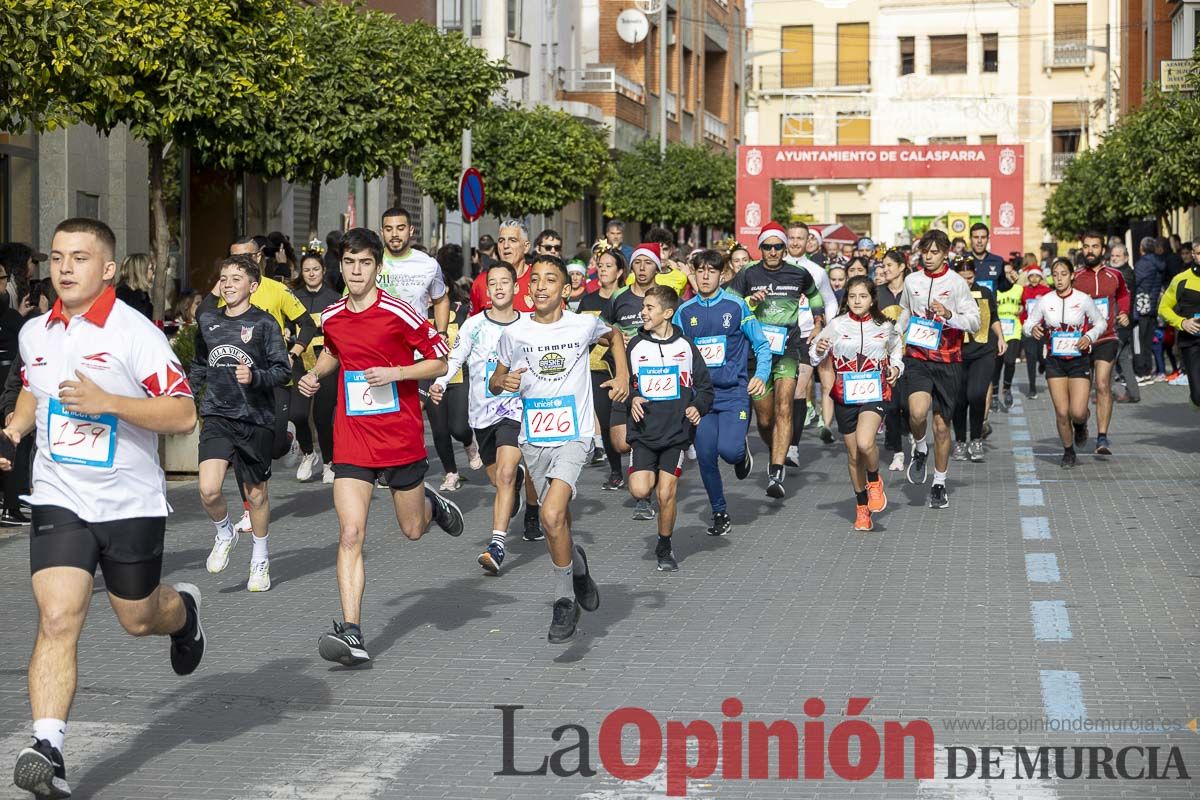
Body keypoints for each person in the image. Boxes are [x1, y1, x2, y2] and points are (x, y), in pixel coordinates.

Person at [3, 218, 202, 799]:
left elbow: (184, 413)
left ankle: (183, 613)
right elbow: (32, 387)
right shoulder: (35, 333)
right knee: (59, 617)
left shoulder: (135, 334)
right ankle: (49, 747)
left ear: (108, 268)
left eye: (80, 258)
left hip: (128, 501)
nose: (65, 269)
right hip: (59, 495)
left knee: (137, 617)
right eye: (58, 257)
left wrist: (108, 403)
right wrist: (15, 430)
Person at [298, 228, 463, 667]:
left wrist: (397, 374)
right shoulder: (331, 315)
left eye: (365, 263)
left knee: (412, 530)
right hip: (351, 438)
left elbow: (440, 360)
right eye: (349, 262)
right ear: (340, 265)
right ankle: (351, 630)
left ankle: (430, 505)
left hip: (399, 435)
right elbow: (335, 351)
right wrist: (317, 374)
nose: (356, 270)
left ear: (377, 267)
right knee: (350, 533)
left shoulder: (400, 313)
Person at [489, 254, 630, 643]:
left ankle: (563, 600)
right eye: (535, 280)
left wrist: (623, 376)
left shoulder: (583, 324)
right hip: (534, 436)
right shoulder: (515, 334)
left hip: (574, 434)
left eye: (551, 280)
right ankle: (578, 564)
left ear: (565, 290)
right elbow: (494, 379)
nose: (541, 286)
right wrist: (504, 382)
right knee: (560, 522)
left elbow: (615, 335)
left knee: (550, 515)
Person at [192, 255, 291, 591]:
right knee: (208, 488)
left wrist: (256, 375)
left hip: (256, 418)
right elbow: (198, 366)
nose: (228, 283)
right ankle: (224, 533)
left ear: (253, 285)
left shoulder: (264, 324)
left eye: (236, 278)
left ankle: (260, 558)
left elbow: (283, 370)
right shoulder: (207, 320)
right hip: (217, 414)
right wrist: (183, 398)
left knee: (256, 495)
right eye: (224, 278)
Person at [431, 262, 530, 574]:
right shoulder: (473, 325)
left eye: (505, 282)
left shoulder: (529, 325)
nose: (499, 287)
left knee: (504, 476)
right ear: (487, 292)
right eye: (493, 283)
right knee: (500, 482)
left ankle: (497, 546)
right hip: (482, 416)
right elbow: (455, 359)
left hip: (515, 411)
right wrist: (439, 383)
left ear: (516, 288)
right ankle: (517, 484)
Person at [728, 221, 825, 500]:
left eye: (777, 246)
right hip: (756, 352)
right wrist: (750, 301)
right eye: (767, 246)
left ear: (784, 248)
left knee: (785, 406)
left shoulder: (798, 273)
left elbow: (815, 296)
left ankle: (776, 469)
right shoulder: (748, 273)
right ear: (760, 248)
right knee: (765, 417)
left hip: (787, 349)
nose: (772, 251)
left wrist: (818, 321)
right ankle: (775, 450)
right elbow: (731, 304)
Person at [676, 250, 768, 536]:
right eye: (700, 270)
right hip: (700, 399)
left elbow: (762, 346)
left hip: (733, 393)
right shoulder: (684, 312)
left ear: (722, 274)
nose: (705, 276)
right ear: (694, 273)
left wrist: (761, 375)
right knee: (705, 454)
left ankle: (741, 455)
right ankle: (719, 511)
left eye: (711, 271)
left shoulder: (737, 306)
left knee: (729, 450)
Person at [624, 285, 713, 571]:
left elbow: (705, 388)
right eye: (643, 307)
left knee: (666, 494)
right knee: (640, 489)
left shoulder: (686, 346)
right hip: (644, 432)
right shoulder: (635, 346)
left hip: (676, 433)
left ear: (667, 313)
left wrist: (697, 408)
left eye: (649, 308)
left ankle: (664, 545)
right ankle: (644, 492)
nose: (643, 312)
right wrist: (633, 397)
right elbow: (625, 386)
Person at [809, 276, 904, 531]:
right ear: (846, 299)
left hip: (876, 391)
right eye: (852, 297)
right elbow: (814, 356)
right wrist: (819, 348)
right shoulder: (837, 325)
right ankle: (862, 507)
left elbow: (897, 349)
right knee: (853, 456)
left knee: (865, 442)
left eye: (863, 296)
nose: (857, 301)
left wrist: (896, 367)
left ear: (872, 299)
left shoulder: (884, 325)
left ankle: (874, 480)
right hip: (845, 394)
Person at [896, 229, 980, 508]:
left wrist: (948, 315)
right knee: (917, 412)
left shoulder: (956, 283)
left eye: (935, 253)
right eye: (925, 252)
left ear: (945, 254)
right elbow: (905, 312)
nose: (929, 258)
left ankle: (939, 483)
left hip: (948, 360)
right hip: (918, 357)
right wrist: (893, 335)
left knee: (942, 428)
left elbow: (974, 322)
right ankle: (920, 448)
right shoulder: (912, 280)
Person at [1024, 258, 1107, 468]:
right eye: (1056, 274)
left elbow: (1101, 322)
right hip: (1054, 361)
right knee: (1062, 412)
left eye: (1063, 274)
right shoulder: (1045, 300)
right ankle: (1068, 451)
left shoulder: (1083, 299)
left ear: (1071, 275)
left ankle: (1081, 425)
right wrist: (1032, 330)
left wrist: (1089, 336)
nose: (1059, 278)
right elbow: (1028, 323)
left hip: (1079, 359)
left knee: (1077, 412)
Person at [603, 242, 664, 518]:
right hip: (624, 377)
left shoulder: (664, 298)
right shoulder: (619, 298)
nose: (641, 268)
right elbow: (601, 332)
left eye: (647, 263)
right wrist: (617, 338)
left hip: (654, 380)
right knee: (620, 442)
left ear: (657, 267)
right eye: (637, 262)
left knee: (644, 436)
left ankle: (644, 496)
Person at [423, 249, 477, 491]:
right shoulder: (417, 314)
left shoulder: (462, 310)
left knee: (459, 427)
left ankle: (468, 442)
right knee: (440, 430)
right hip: (428, 378)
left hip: (457, 376)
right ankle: (451, 473)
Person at [783, 220, 838, 456]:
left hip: (805, 338)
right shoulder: (774, 267)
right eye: (791, 238)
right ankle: (779, 437)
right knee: (778, 395)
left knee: (797, 391)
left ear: (808, 242)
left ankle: (792, 446)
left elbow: (831, 301)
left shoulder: (817, 272)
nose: (795, 242)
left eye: (800, 238)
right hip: (777, 339)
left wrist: (823, 328)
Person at [1072, 231, 1131, 455]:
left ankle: (1102, 437)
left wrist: (1124, 312)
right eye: (1086, 246)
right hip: (1080, 340)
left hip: (1106, 337)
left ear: (1102, 249)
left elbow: (1124, 295)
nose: (1090, 251)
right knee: (1080, 396)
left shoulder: (1115, 275)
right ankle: (1080, 422)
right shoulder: (1076, 276)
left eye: (1095, 247)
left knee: (1104, 384)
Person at [578, 246, 628, 486]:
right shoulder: (588, 300)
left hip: (628, 368)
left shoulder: (627, 299)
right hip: (595, 367)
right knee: (607, 420)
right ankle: (616, 471)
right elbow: (578, 334)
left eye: (609, 266)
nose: (603, 270)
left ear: (619, 272)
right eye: (601, 266)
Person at [291, 250, 340, 482]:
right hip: (300, 362)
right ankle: (308, 454)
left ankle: (329, 461)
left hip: (326, 363)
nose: (311, 273)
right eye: (307, 269)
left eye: (315, 269)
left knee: (322, 416)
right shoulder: (293, 296)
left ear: (323, 271)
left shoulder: (334, 297)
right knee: (298, 414)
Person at [951, 257, 1005, 462]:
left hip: (983, 350)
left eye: (970, 277)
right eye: (962, 278)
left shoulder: (984, 293)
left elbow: (993, 317)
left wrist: (1001, 337)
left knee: (976, 394)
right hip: (957, 353)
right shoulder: (949, 295)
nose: (967, 282)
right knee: (959, 400)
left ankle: (975, 439)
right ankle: (960, 441)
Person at [876, 249, 909, 472]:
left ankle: (917, 442)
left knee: (910, 407)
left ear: (901, 267)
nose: (885, 269)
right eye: (883, 265)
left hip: (914, 355)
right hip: (887, 358)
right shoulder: (877, 292)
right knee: (893, 405)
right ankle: (898, 452)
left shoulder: (913, 289)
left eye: (889, 265)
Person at [1158, 242, 1200, 406]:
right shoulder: (1181, 279)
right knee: (1198, 396)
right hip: (1192, 341)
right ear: (1193, 255)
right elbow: (1163, 308)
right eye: (1199, 253)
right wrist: (1182, 323)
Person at [470, 219, 536, 315]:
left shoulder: (538, 280)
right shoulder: (481, 281)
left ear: (526, 247)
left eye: (512, 240)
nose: (505, 246)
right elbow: (473, 324)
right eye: (501, 241)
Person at [1132, 236, 1165, 383]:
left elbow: (1135, 283)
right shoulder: (1159, 262)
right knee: (1148, 340)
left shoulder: (1143, 264)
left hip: (1141, 306)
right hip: (1152, 306)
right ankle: (1148, 369)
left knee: (1139, 340)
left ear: (1143, 248)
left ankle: (1141, 371)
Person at [992, 261, 1024, 410]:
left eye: (1010, 272)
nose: (1007, 275)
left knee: (1010, 361)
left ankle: (1006, 388)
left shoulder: (1019, 289)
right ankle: (993, 394)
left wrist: (1023, 309)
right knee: (996, 364)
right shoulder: (994, 289)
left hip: (1013, 329)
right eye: (1004, 273)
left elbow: (1028, 304)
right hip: (997, 330)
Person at [1019, 265, 1052, 398]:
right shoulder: (1024, 290)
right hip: (1029, 329)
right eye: (1031, 276)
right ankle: (1032, 388)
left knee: (1042, 357)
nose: (1033, 279)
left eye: (1036, 276)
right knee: (1031, 358)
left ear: (1040, 277)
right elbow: (1021, 306)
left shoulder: (1047, 291)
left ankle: (1043, 365)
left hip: (1042, 329)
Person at [965, 223, 1010, 293]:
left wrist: (1010, 282)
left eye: (983, 237)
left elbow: (1001, 287)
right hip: (969, 304)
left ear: (988, 239)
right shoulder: (961, 261)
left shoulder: (998, 261)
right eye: (976, 237)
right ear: (970, 239)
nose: (979, 241)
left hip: (990, 304)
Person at [114, 253, 155, 319]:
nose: (153, 272)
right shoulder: (124, 297)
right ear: (140, 271)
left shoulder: (141, 295)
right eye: (150, 268)